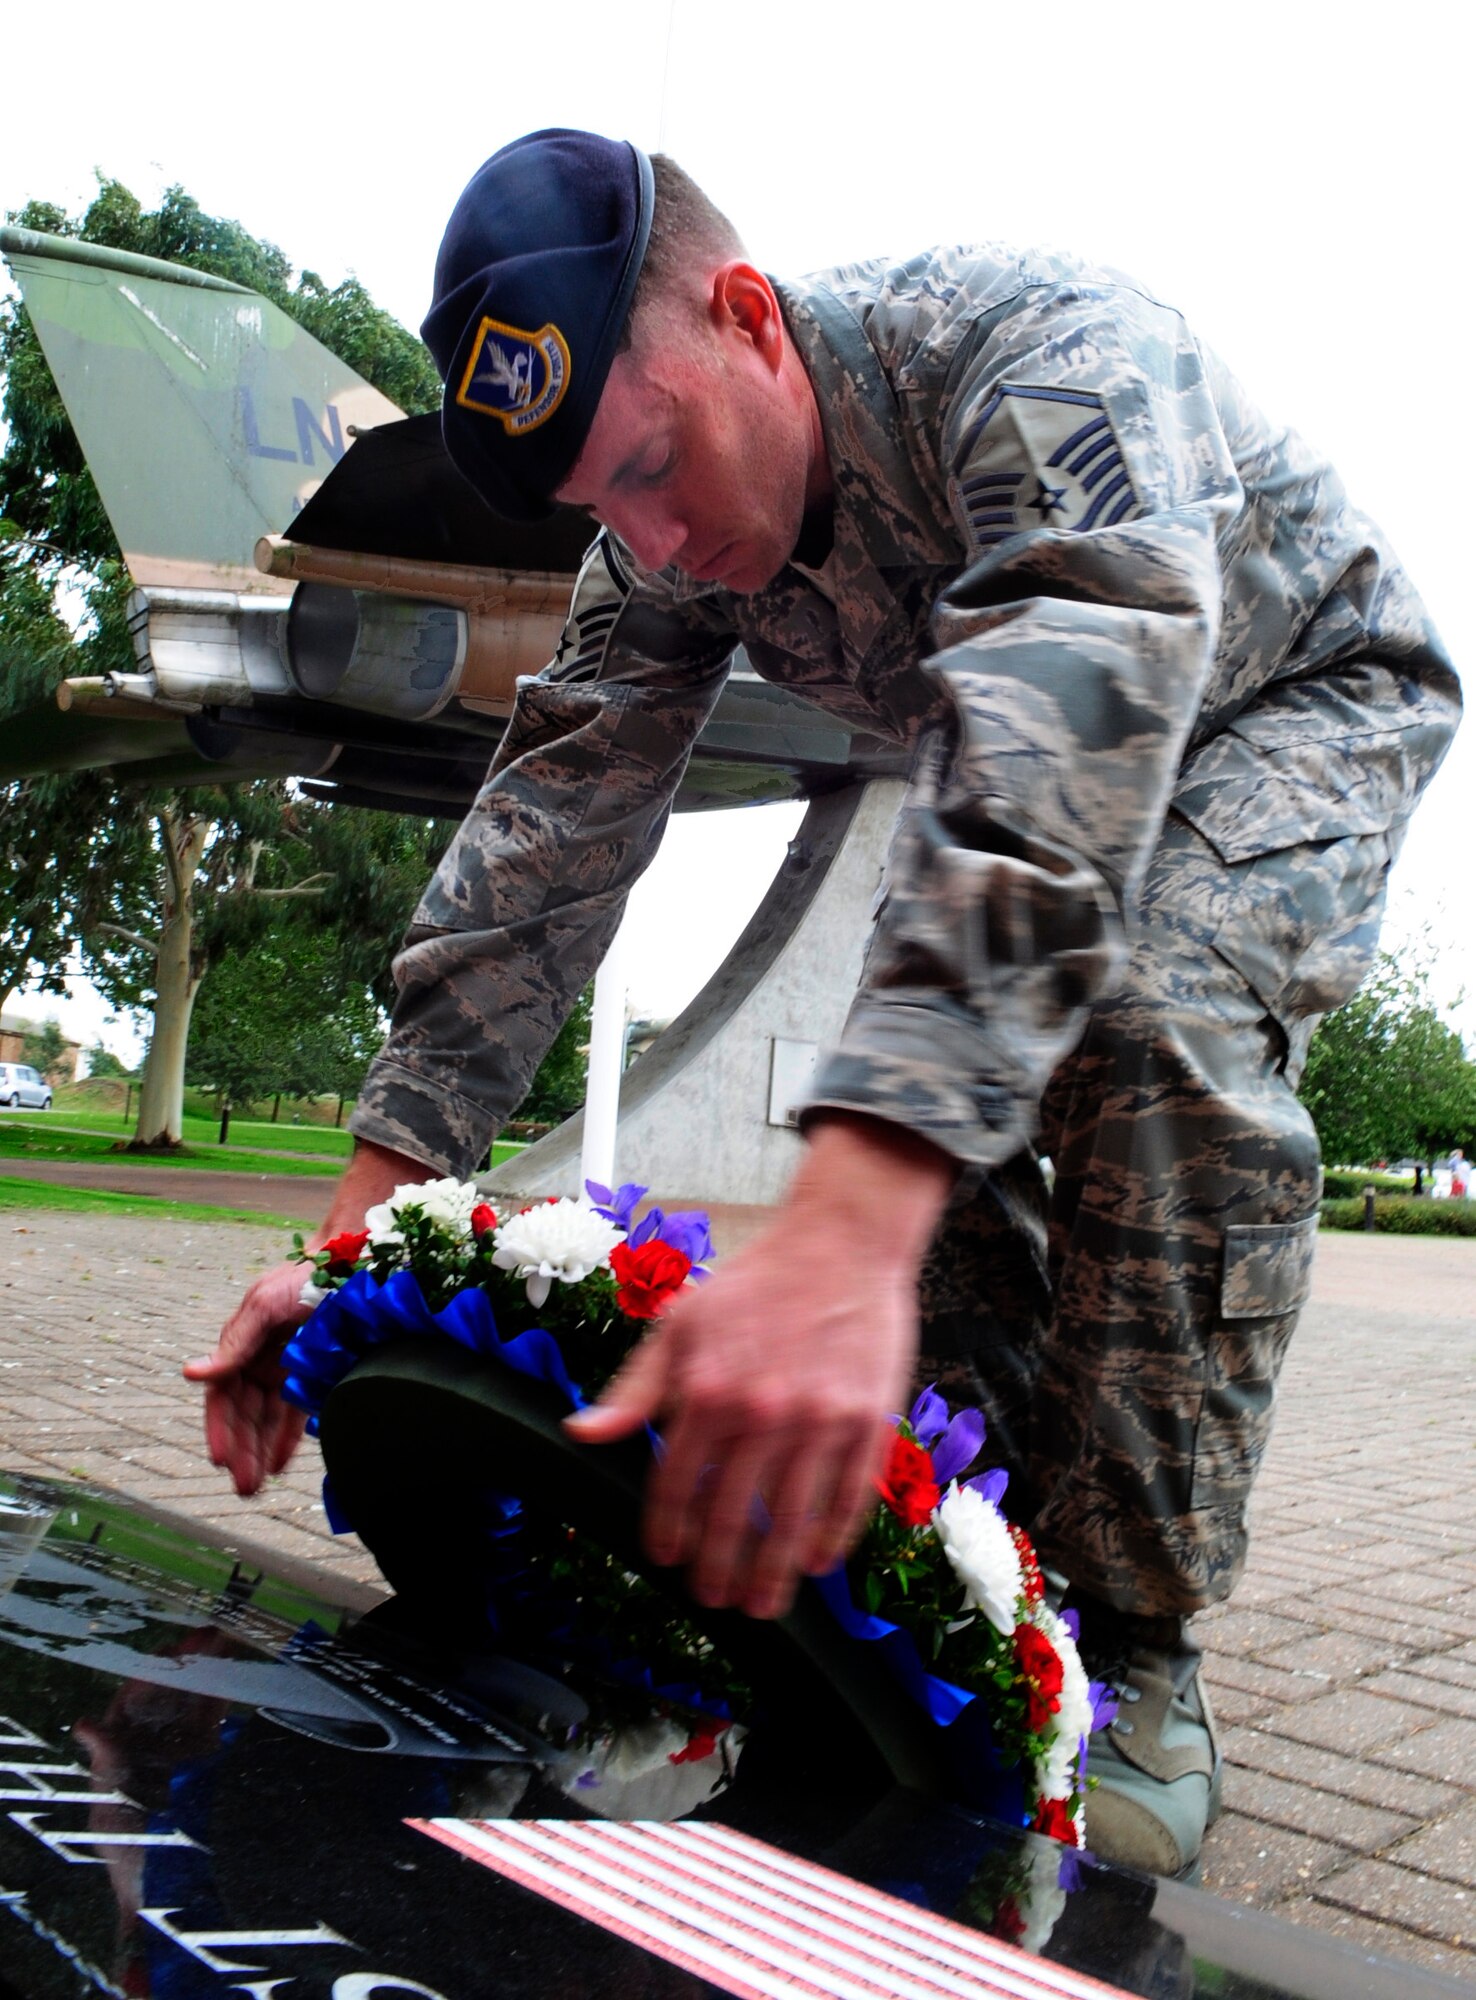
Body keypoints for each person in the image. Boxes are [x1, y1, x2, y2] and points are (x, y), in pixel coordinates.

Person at [188, 130, 1460, 1874]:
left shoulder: (1039, 356)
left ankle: (1146, 1651)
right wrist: (351, 1257)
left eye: (652, 465)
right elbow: (553, 824)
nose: (649, 539)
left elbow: (1071, 706)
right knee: (939, 1138)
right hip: (1028, 768)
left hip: (1290, 703)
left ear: (747, 318)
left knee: (1141, 1029)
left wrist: (847, 1224)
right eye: (595, 512)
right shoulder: (657, 542)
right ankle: (979, 1615)